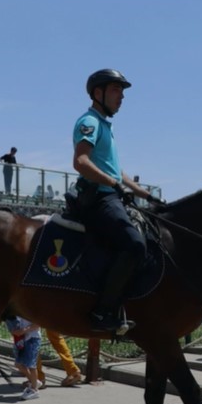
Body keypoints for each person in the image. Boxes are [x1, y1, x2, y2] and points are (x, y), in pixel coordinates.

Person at [72, 68, 161, 332]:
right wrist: (113, 184)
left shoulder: (105, 126)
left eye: (122, 91)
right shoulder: (89, 122)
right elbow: (81, 161)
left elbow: (116, 172)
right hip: (99, 199)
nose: (121, 96)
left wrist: (146, 195)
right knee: (134, 245)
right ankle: (103, 311)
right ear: (97, 93)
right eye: (116, 90)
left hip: (111, 195)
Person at [3, 314, 42, 400]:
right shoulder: (19, 309)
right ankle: (34, 382)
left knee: (31, 365)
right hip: (22, 339)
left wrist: (24, 330)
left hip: (33, 338)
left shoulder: (33, 308)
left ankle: (34, 389)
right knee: (18, 364)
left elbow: (39, 323)